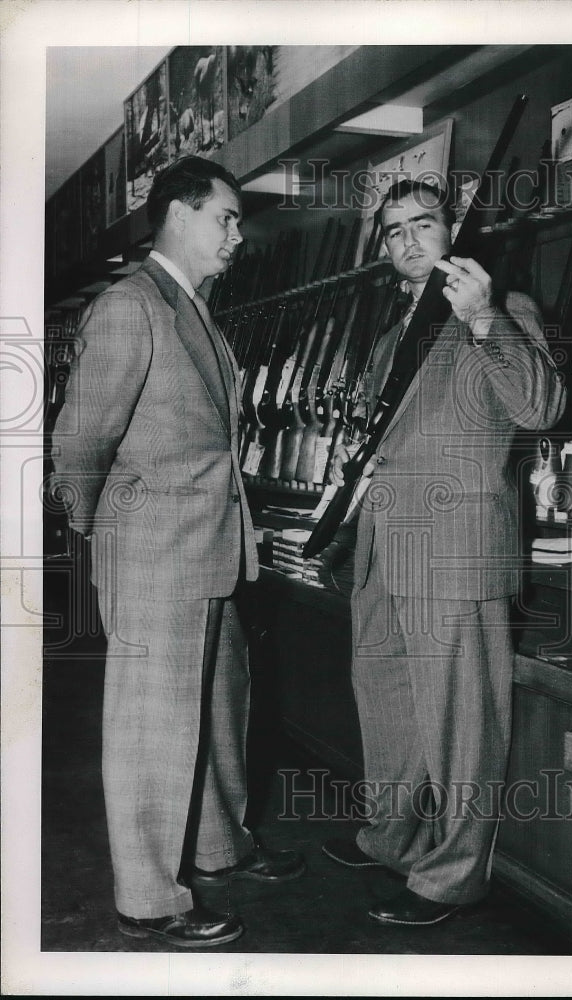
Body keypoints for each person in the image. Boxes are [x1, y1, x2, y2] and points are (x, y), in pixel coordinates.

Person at [52, 156, 304, 949]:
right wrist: (102, 539)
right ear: (179, 216)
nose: (238, 233)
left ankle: (217, 849)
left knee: (221, 711)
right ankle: (148, 897)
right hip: (157, 554)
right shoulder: (133, 307)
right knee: (152, 728)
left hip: (211, 553)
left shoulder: (192, 309)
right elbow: (79, 440)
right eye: (226, 217)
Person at [322, 179, 566, 925]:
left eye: (421, 223)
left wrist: (482, 316)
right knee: (387, 707)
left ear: (451, 229)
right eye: (391, 230)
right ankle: (391, 837)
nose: (405, 240)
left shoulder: (503, 310)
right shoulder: (395, 326)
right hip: (383, 544)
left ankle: (452, 875)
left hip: (454, 550)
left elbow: (541, 407)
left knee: (462, 724)